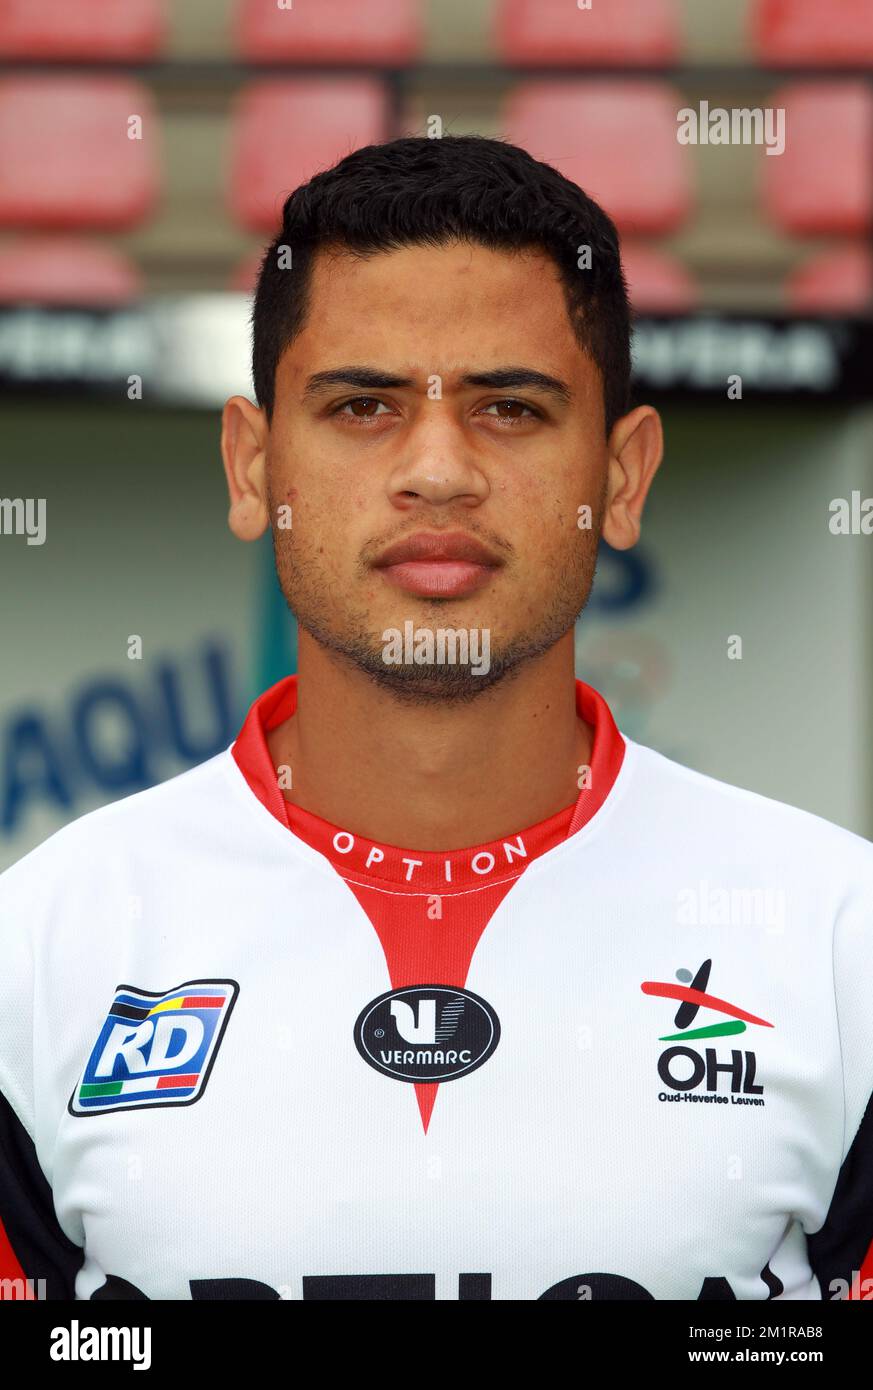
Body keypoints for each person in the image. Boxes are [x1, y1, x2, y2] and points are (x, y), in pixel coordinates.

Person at [1, 135, 871, 1302]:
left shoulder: (837, 942)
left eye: (510, 407)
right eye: (362, 405)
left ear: (621, 477)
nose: (438, 470)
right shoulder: (41, 951)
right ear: (253, 468)